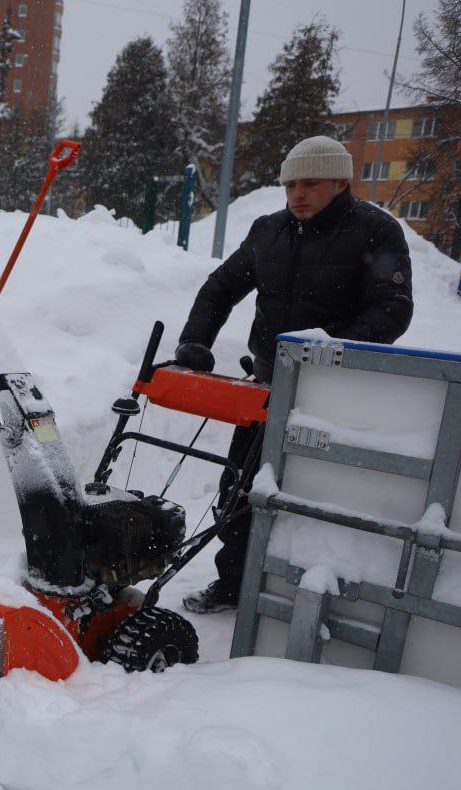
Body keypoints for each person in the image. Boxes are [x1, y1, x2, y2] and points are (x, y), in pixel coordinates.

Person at [175, 136, 413, 614]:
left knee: (311, 497)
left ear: (340, 182)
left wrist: (321, 349)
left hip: (333, 392)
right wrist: (195, 343)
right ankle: (234, 584)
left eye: (311, 183)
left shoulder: (376, 232)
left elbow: (393, 308)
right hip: (266, 384)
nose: (297, 194)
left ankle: (306, 595)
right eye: (290, 185)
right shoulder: (268, 232)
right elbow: (221, 287)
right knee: (240, 490)